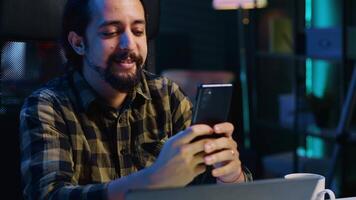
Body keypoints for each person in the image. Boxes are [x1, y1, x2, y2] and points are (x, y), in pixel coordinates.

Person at [19, 0, 252, 199]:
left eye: (138, 31)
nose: (129, 44)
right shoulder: (47, 106)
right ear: (79, 43)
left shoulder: (167, 96)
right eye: (111, 32)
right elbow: (50, 195)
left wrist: (231, 178)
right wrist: (153, 180)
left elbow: (207, 188)